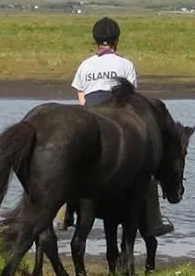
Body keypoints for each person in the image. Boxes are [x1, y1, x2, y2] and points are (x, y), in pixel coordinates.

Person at [63, 16, 174, 237]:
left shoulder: (86, 65)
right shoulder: (125, 65)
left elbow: (81, 96)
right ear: (116, 41)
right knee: (147, 166)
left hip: (90, 113)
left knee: (66, 164)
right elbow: (131, 99)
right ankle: (153, 222)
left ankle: (63, 213)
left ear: (96, 41)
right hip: (117, 116)